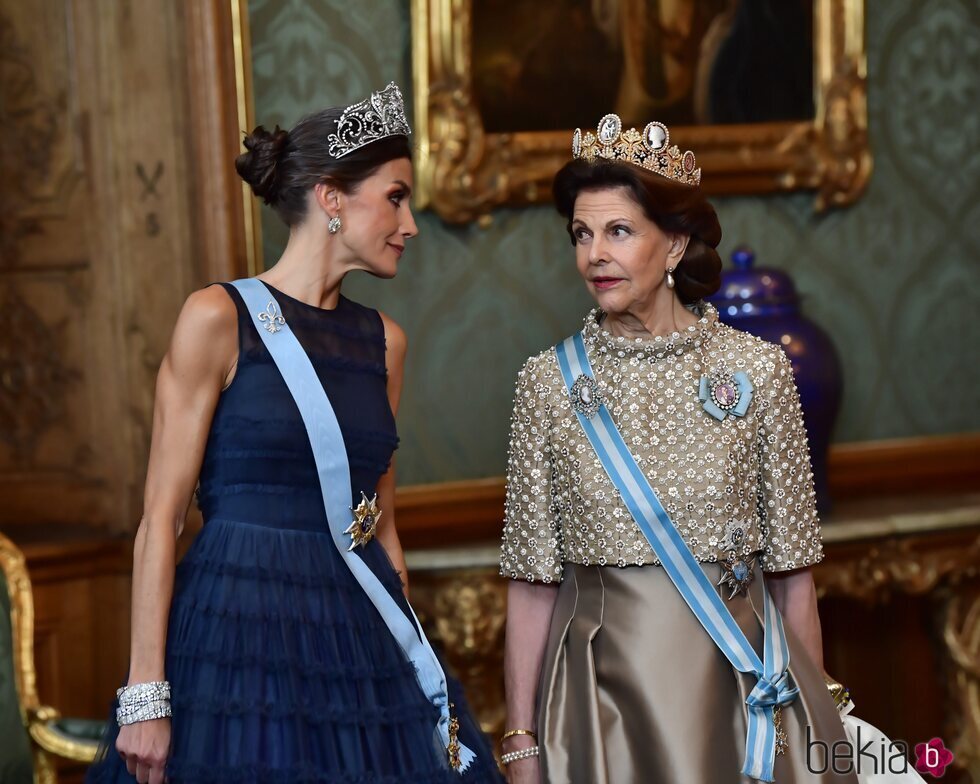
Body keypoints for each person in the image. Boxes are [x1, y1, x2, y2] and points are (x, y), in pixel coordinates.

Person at [87, 83, 502, 784]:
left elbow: (382, 528)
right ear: (333, 196)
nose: (411, 223)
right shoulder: (217, 317)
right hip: (234, 641)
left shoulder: (385, 344)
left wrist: (411, 674)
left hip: (356, 643)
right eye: (395, 196)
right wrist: (146, 696)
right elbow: (159, 521)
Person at [498, 115, 856, 783]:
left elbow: (792, 573)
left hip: (742, 695)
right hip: (602, 709)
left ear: (674, 244)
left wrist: (820, 725)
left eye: (618, 231)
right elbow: (531, 584)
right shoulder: (547, 384)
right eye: (582, 234)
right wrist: (521, 744)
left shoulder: (760, 371)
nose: (593, 255)